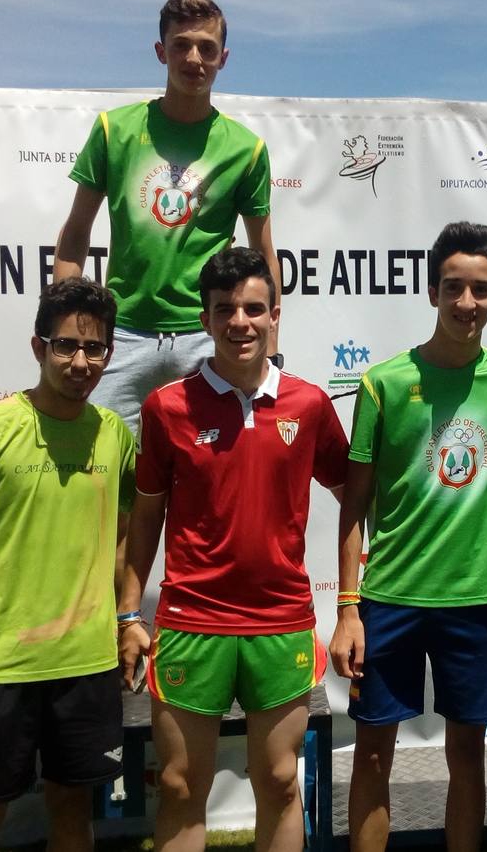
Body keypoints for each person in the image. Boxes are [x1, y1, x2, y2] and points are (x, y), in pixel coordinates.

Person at [118, 247, 347, 852]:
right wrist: (125, 614)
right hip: (193, 618)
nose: (239, 322)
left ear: (275, 314)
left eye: (252, 309)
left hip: (280, 620)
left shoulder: (310, 404)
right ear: (206, 318)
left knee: (278, 781)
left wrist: (353, 599)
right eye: (225, 310)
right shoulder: (167, 408)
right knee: (178, 785)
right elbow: (145, 520)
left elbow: (359, 497)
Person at [329, 222, 487, 851]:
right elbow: (353, 506)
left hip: (472, 604)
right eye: (454, 288)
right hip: (390, 598)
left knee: (467, 756)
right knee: (371, 758)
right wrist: (347, 608)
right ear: (431, 291)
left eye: (481, 289)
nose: (467, 303)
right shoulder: (383, 383)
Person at [0, 278, 136, 852]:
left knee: (73, 814)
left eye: (94, 349)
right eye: (65, 345)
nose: (80, 361)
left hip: (87, 664)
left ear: (109, 355)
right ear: (39, 348)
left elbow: (126, 535)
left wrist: (126, 616)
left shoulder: (114, 436)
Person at [54, 0, 277, 430]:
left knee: (208, 487)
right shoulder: (113, 130)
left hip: (207, 338)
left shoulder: (246, 150)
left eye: (207, 48)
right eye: (181, 45)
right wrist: (69, 325)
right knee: (108, 481)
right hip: (121, 336)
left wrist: (269, 352)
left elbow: (264, 254)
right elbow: (76, 234)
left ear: (223, 58)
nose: (194, 58)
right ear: (161, 51)